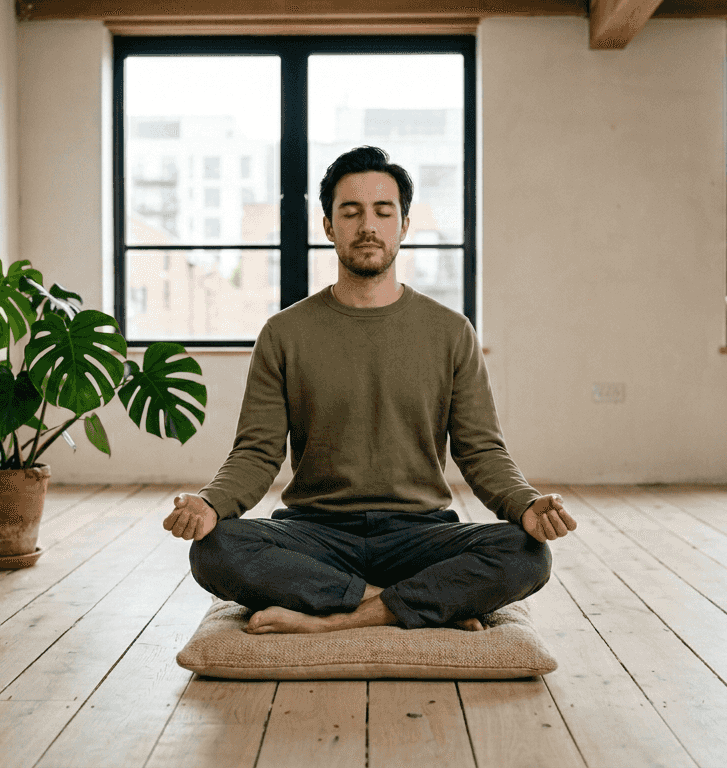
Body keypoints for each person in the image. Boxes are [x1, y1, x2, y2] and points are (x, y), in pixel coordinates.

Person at [162, 146, 576, 635]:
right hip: (315, 533)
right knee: (215, 550)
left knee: (526, 555)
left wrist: (527, 506)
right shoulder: (284, 333)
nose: (368, 226)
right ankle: (416, 603)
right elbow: (256, 452)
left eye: (384, 211)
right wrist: (210, 505)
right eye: (350, 211)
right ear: (328, 226)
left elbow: (481, 449)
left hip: (420, 535)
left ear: (403, 226)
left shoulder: (450, 332)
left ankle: (337, 615)